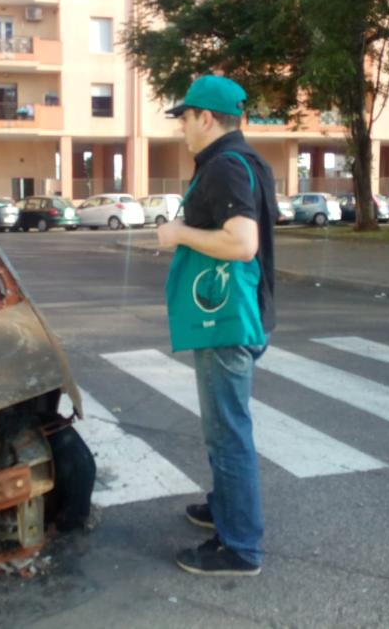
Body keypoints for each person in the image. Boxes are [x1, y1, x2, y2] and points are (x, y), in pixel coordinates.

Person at [157, 75, 278, 576]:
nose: (181, 127)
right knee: (227, 429)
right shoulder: (246, 161)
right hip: (239, 314)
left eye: (185, 117)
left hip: (225, 321)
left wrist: (178, 233)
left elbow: (242, 243)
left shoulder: (225, 168)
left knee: (227, 435)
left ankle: (240, 548)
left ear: (206, 118)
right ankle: (225, 508)